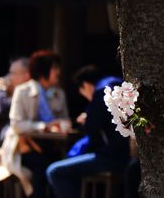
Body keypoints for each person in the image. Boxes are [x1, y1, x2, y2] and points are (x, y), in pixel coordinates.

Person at [45, 66, 131, 198]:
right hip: (127, 157)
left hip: (111, 158)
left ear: (85, 85)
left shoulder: (101, 93)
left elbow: (93, 133)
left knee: (54, 171)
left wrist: (88, 117)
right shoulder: (118, 86)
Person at [0, 50, 70, 196]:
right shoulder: (22, 91)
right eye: (55, 68)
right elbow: (16, 124)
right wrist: (44, 127)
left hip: (54, 146)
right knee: (41, 165)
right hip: (24, 148)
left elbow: (65, 120)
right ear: (44, 70)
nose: (58, 72)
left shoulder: (59, 93)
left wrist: (63, 125)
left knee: (63, 164)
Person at [0, 57, 30, 141]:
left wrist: (2, 89)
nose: (9, 78)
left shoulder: (31, 92)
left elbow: (4, 108)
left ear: (26, 75)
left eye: (13, 73)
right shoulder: (15, 91)